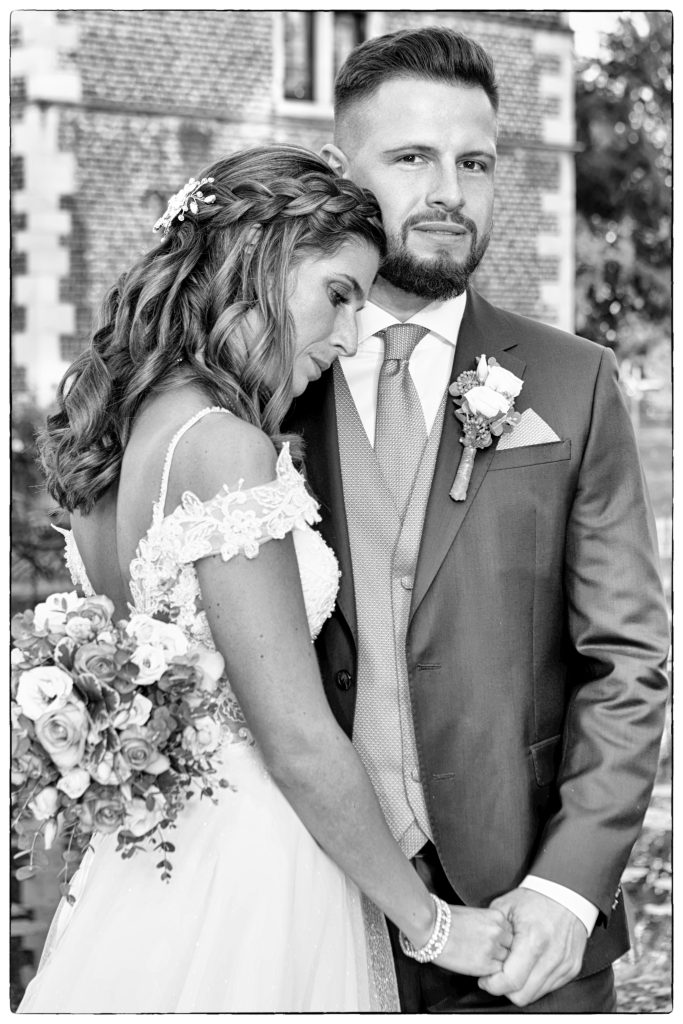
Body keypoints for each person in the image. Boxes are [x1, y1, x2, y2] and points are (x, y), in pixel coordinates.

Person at [17, 144, 513, 1013]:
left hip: (156, 867)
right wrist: (430, 924)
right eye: (338, 295)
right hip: (255, 875)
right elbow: (298, 741)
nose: (350, 336)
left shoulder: (115, 447)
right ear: (258, 263)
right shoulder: (225, 447)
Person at [285, 28, 671, 1012]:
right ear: (339, 171)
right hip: (315, 913)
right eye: (411, 157)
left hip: (526, 931)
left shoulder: (574, 381)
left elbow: (627, 660)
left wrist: (564, 889)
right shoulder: (270, 387)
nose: (447, 192)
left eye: (474, 163)